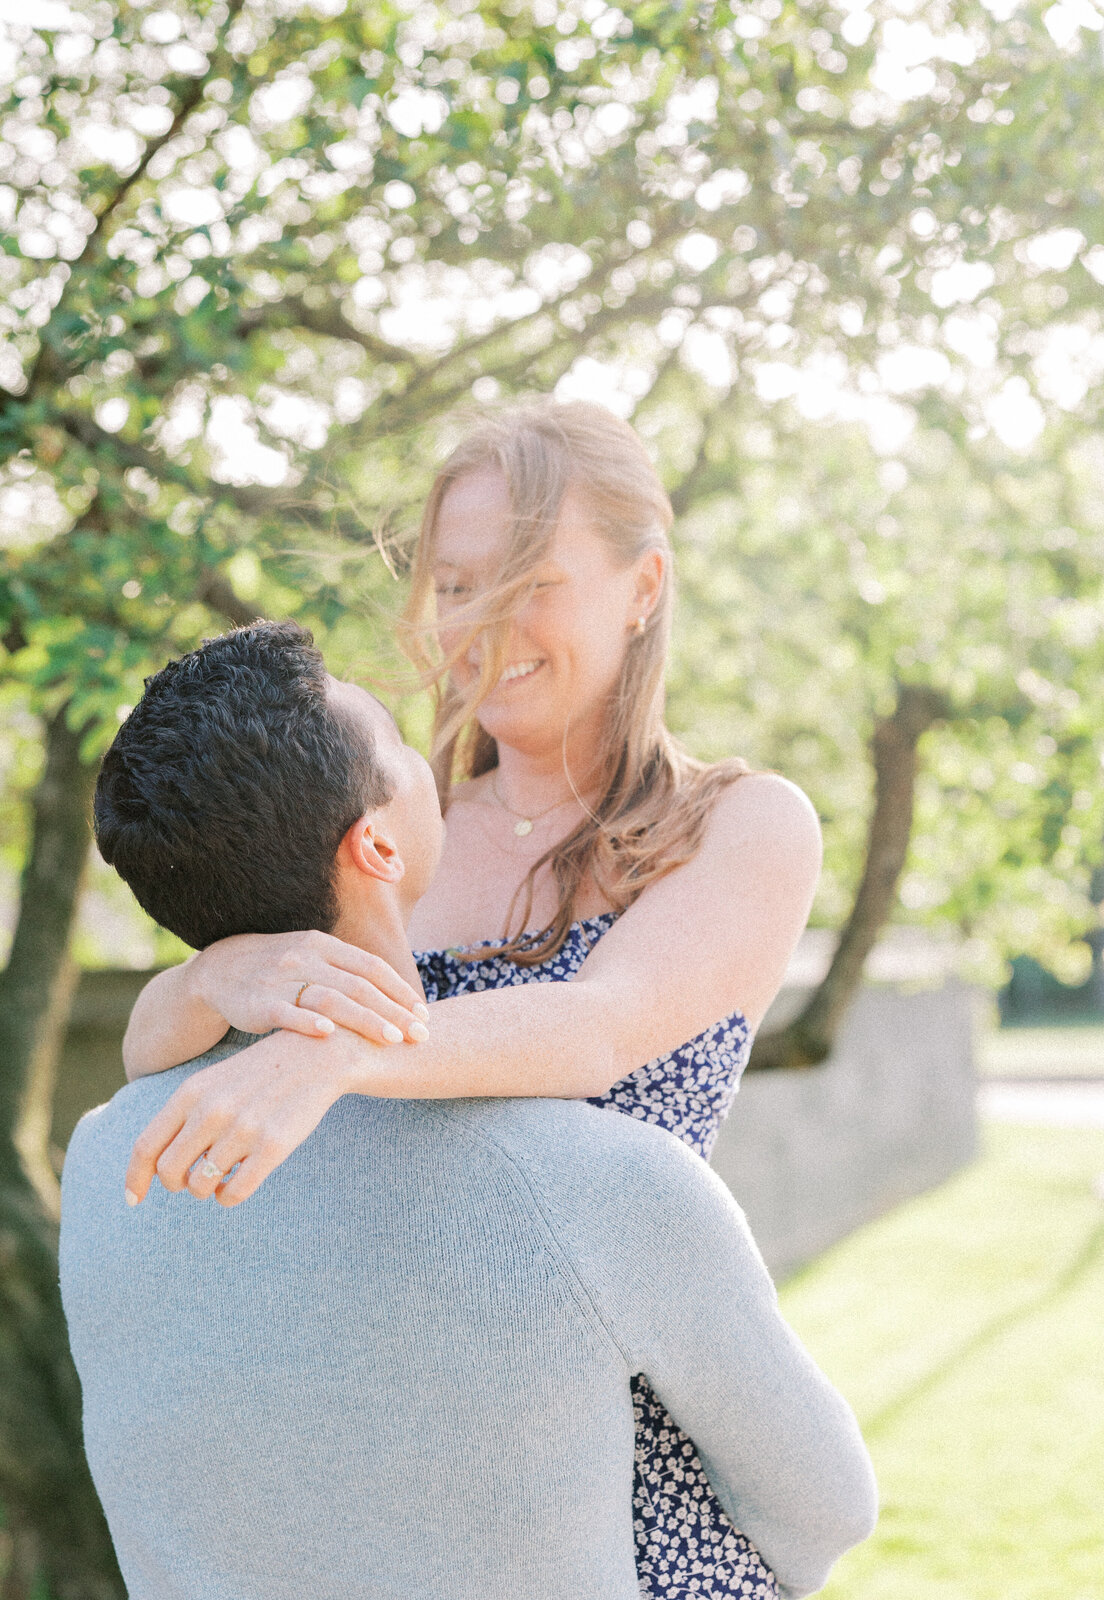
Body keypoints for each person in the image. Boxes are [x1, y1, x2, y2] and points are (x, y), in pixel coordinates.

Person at [118, 402, 827, 1596]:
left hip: (631, 1492)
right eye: (453, 584)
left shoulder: (742, 825)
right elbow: (149, 1055)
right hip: (409, 1479)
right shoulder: (395, 824)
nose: (481, 624)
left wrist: (337, 1053)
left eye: (528, 579)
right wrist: (211, 974)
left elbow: (598, 1027)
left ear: (643, 585)